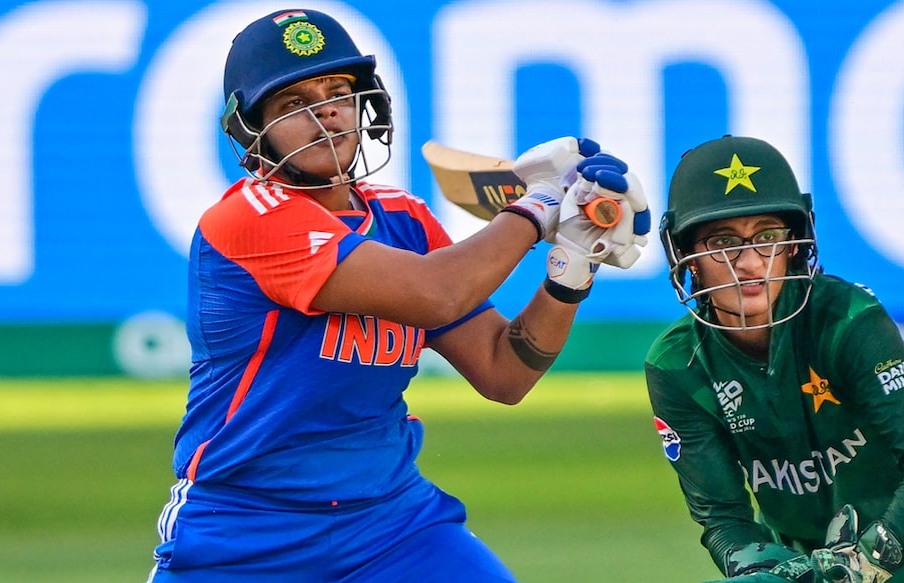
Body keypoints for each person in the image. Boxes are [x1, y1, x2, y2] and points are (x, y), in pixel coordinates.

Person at [145, 8, 649, 583]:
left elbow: (503, 372)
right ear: (250, 131)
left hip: (391, 524)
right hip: (246, 531)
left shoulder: (402, 218)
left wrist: (571, 270)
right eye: (293, 104)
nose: (326, 113)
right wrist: (538, 205)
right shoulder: (247, 218)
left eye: (337, 92)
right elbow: (437, 293)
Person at [644, 135, 904, 582]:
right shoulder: (677, 365)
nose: (749, 263)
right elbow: (722, 517)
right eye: (722, 242)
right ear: (687, 256)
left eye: (768, 236)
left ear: (796, 242)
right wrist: (763, 566)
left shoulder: (847, 321)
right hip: (808, 551)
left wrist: (869, 559)